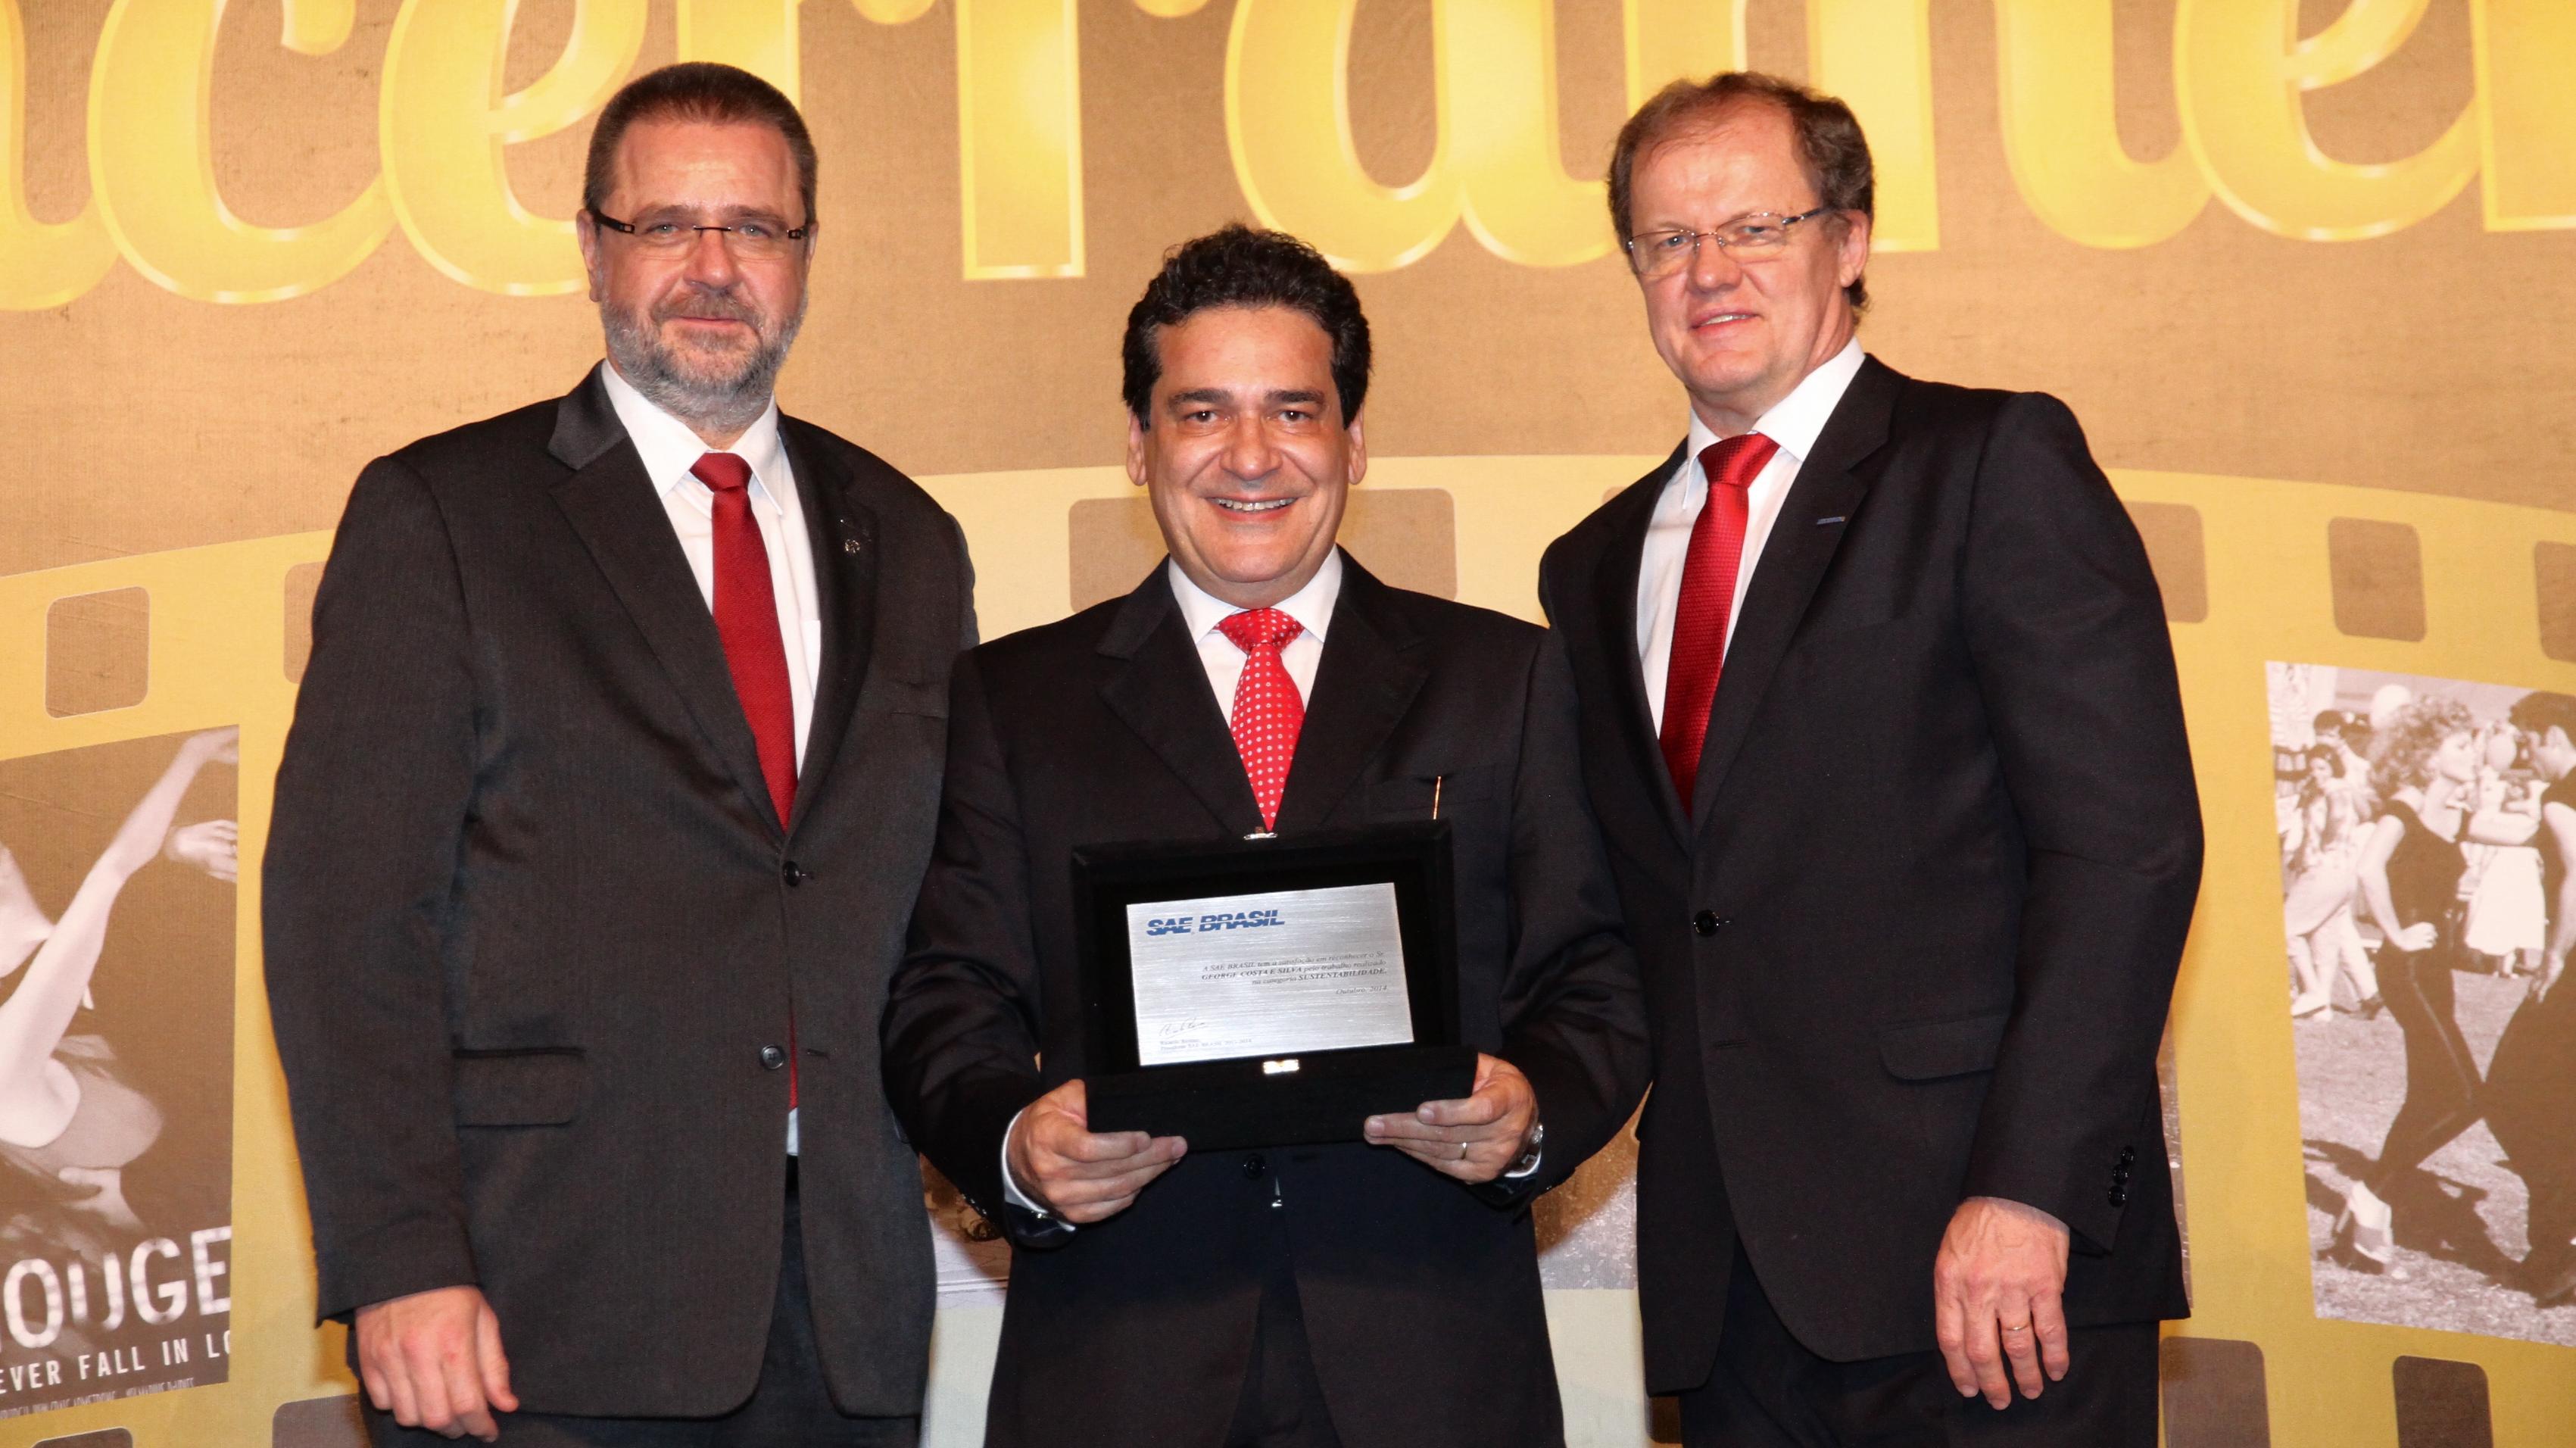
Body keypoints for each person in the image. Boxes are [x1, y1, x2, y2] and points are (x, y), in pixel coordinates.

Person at [264, 63, 975, 1446]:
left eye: (753, 228)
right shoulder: (445, 516)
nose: (712, 268)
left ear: (805, 256)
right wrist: (399, 1256)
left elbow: (941, 911)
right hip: (538, 1303)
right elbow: (347, 919)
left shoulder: (908, 538)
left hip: (846, 1313)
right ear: (592, 250)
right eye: (665, 227)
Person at [881, 224, 1648, 1448]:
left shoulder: (1504, 678)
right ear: (1139, 444)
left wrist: (1530, 1110)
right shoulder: (1015, 701)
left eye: (1293, 411)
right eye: (1202, 413)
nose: (1250, 455)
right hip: (1122, 1367)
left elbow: (1593, 975)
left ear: (1353, 441)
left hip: (1433, 1365)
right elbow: (946, 996)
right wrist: (1018, 1144)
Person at [1536, 73, 2202, 1445]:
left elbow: (2123, 850)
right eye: (1668, 240)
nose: (1708, 271)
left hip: (1990, 1271)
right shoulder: (1590, 565)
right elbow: (1623, 917)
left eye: (1754, 227)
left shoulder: (1988, 462)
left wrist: (2030, 1188)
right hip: (1731, 1297)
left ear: (1847, 241)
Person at [2, 728, 237, 1237]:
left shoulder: (117, 930)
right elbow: (112, 868)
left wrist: (191, 764)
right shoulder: (8, 1072)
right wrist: (189, 759)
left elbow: (115, 861)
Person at [2335, 697, 2525, 1274]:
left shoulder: (2456, 815)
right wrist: (2394, 933)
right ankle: (2370, 1193)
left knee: (2427, 1094)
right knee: (2468, 1097)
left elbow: (2525, 831)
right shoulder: (2408, 805)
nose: (2473, 754)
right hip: (2410, 969)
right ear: (2427, 754)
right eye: (2461, 745)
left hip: (2436, 971)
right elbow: (2367, 868)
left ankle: (2363, 1224)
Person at [2486, 691, 2576, 1305]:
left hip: (2571, 967)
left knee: (2509, 1096)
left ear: (2552, 737)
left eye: (2528, 742)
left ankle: (2558, 1247)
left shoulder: (2562, 795)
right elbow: (2527, 838)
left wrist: (2555, 957)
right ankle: (2553, 1251)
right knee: (2557, 1104)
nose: (2526, 755)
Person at [2281, 746, 2378, 1019]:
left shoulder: (2335, 789)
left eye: (2322, 768)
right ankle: (2321, 1008)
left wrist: (2323, 845)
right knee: (2326, 938)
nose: (2316, 773)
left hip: (2323, 870)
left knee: (2286, 930)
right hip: (2342, 872)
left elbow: (2335, 819)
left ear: (2334, 767)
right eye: (2313, 768)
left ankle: (2314, 993)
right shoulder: (2339, 789)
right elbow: (2366, 813)